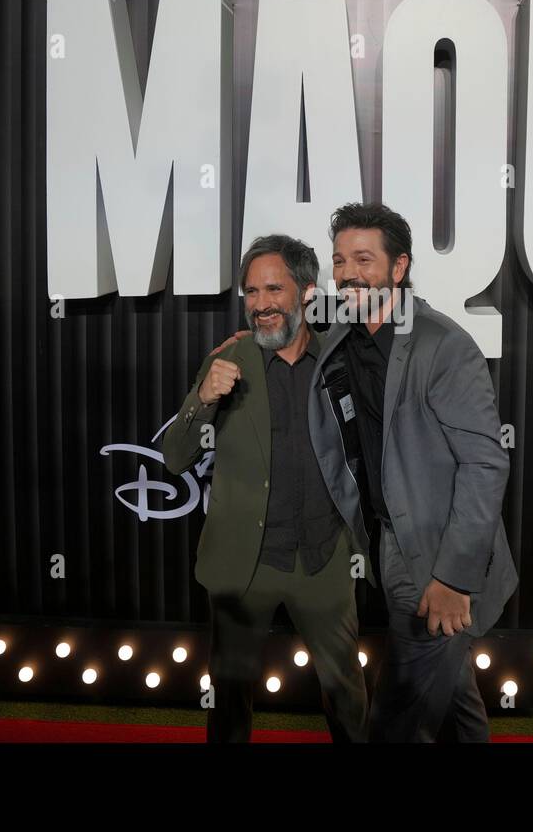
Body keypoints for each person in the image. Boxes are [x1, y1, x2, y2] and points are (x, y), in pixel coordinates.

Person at [310, 202, 518, 742]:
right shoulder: (341, 339)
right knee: (452, 697)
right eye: (339, 260)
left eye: (363, 259)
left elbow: (485, 462)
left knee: (398, 718)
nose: (348, 272)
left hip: (433, 555)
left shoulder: (442, 345)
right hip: (385, 541)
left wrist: (453, 578)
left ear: (398, 268)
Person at [162, 234, 368, 742]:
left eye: (273, 290)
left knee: (347, 698)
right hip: (243, 565)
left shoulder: (341, 359)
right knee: (230, 700)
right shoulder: (228, 361)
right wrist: (203, 398)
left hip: (321, 561)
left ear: (306, 292)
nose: (260, 305)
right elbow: (174, 457)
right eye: (251, 293)